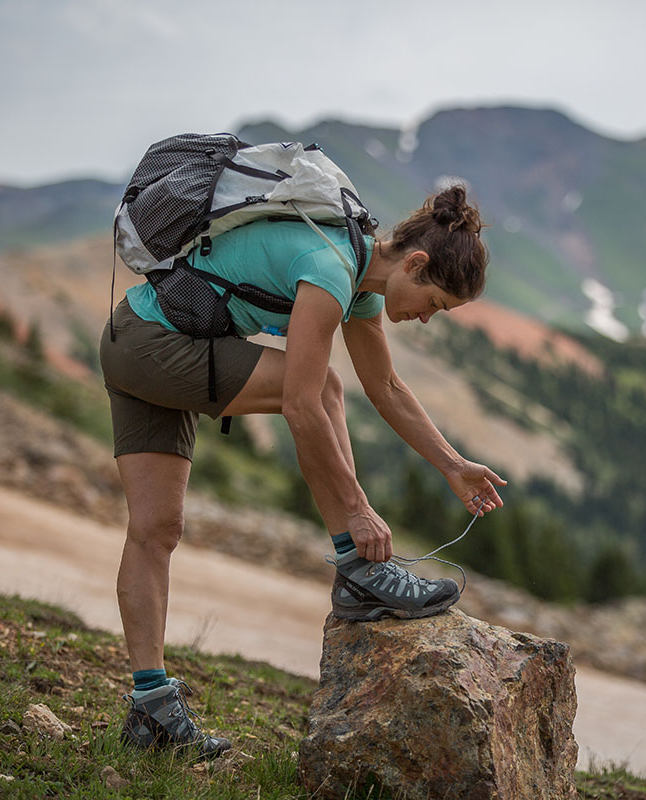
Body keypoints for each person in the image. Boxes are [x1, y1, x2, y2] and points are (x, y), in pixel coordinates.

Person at [99, 185, 507, 758]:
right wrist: (359, 512)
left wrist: (454, 466)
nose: (425, 319)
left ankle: (151, 714)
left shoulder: (359, 276)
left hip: (137, 338)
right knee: (323, 388)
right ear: (415, 264)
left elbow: (387, 387)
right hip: (151, 346)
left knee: (155, 529)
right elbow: (301, 405)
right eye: (434, 303)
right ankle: (357, 567)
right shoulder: (330, 267)